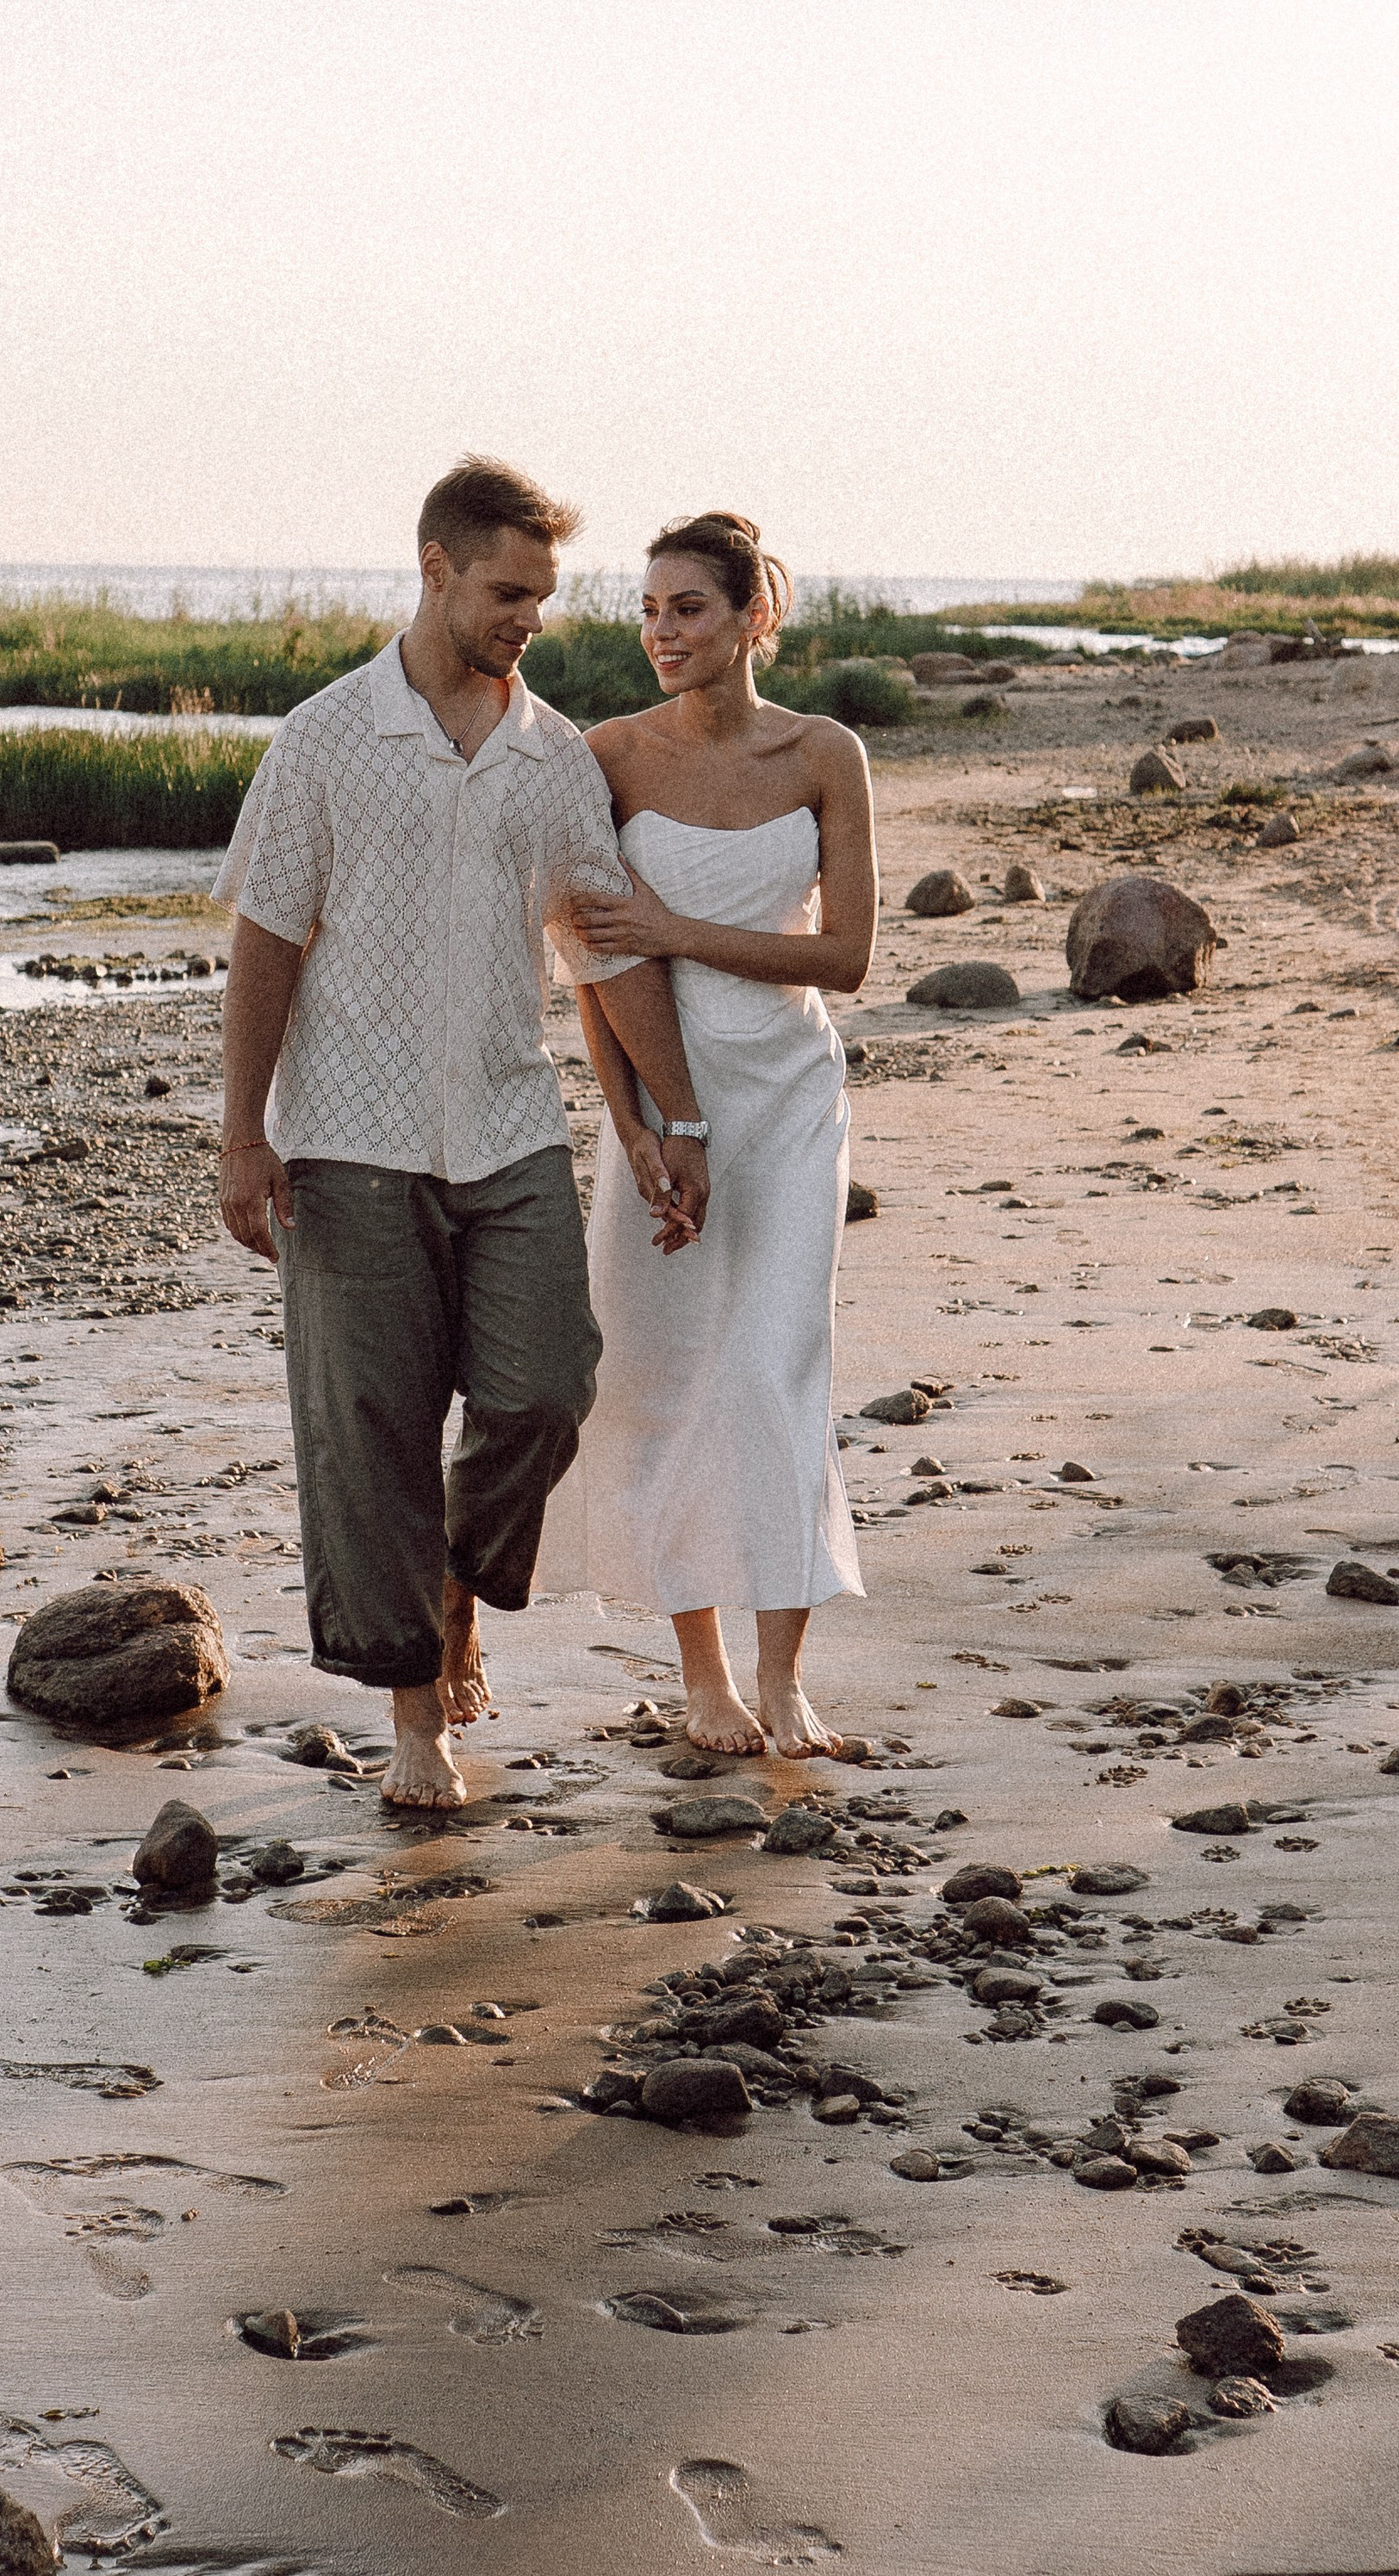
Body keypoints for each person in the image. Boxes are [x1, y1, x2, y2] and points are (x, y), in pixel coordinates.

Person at [212, 456, 712, 1810]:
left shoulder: (553, 759)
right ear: (433, 566)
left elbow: (604, 954)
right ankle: (417, 1718)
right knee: (368, 1429)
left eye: (544, 597)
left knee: (547, 1383)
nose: (530, 620)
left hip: (506, 1130)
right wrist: (242, 1135)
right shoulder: (324, 740)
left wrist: (676, 1117)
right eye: (508, 591)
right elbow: (266, 935)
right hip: (348, 1136)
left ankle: (458, 1579)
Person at [538, 512, 877, 1756]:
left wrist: (677, 931)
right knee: (664, 1372)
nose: (661, 634)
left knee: (779, 1362)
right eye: (648, 611)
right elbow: (585, 956)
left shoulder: (823, 754)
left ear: (752, 620)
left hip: (788, 1097)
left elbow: (844, 956)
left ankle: (785, 1672)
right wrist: (627, 1127)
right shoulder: (608, 755)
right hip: (661, 1105)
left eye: (687, 609)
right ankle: (704, 1675)